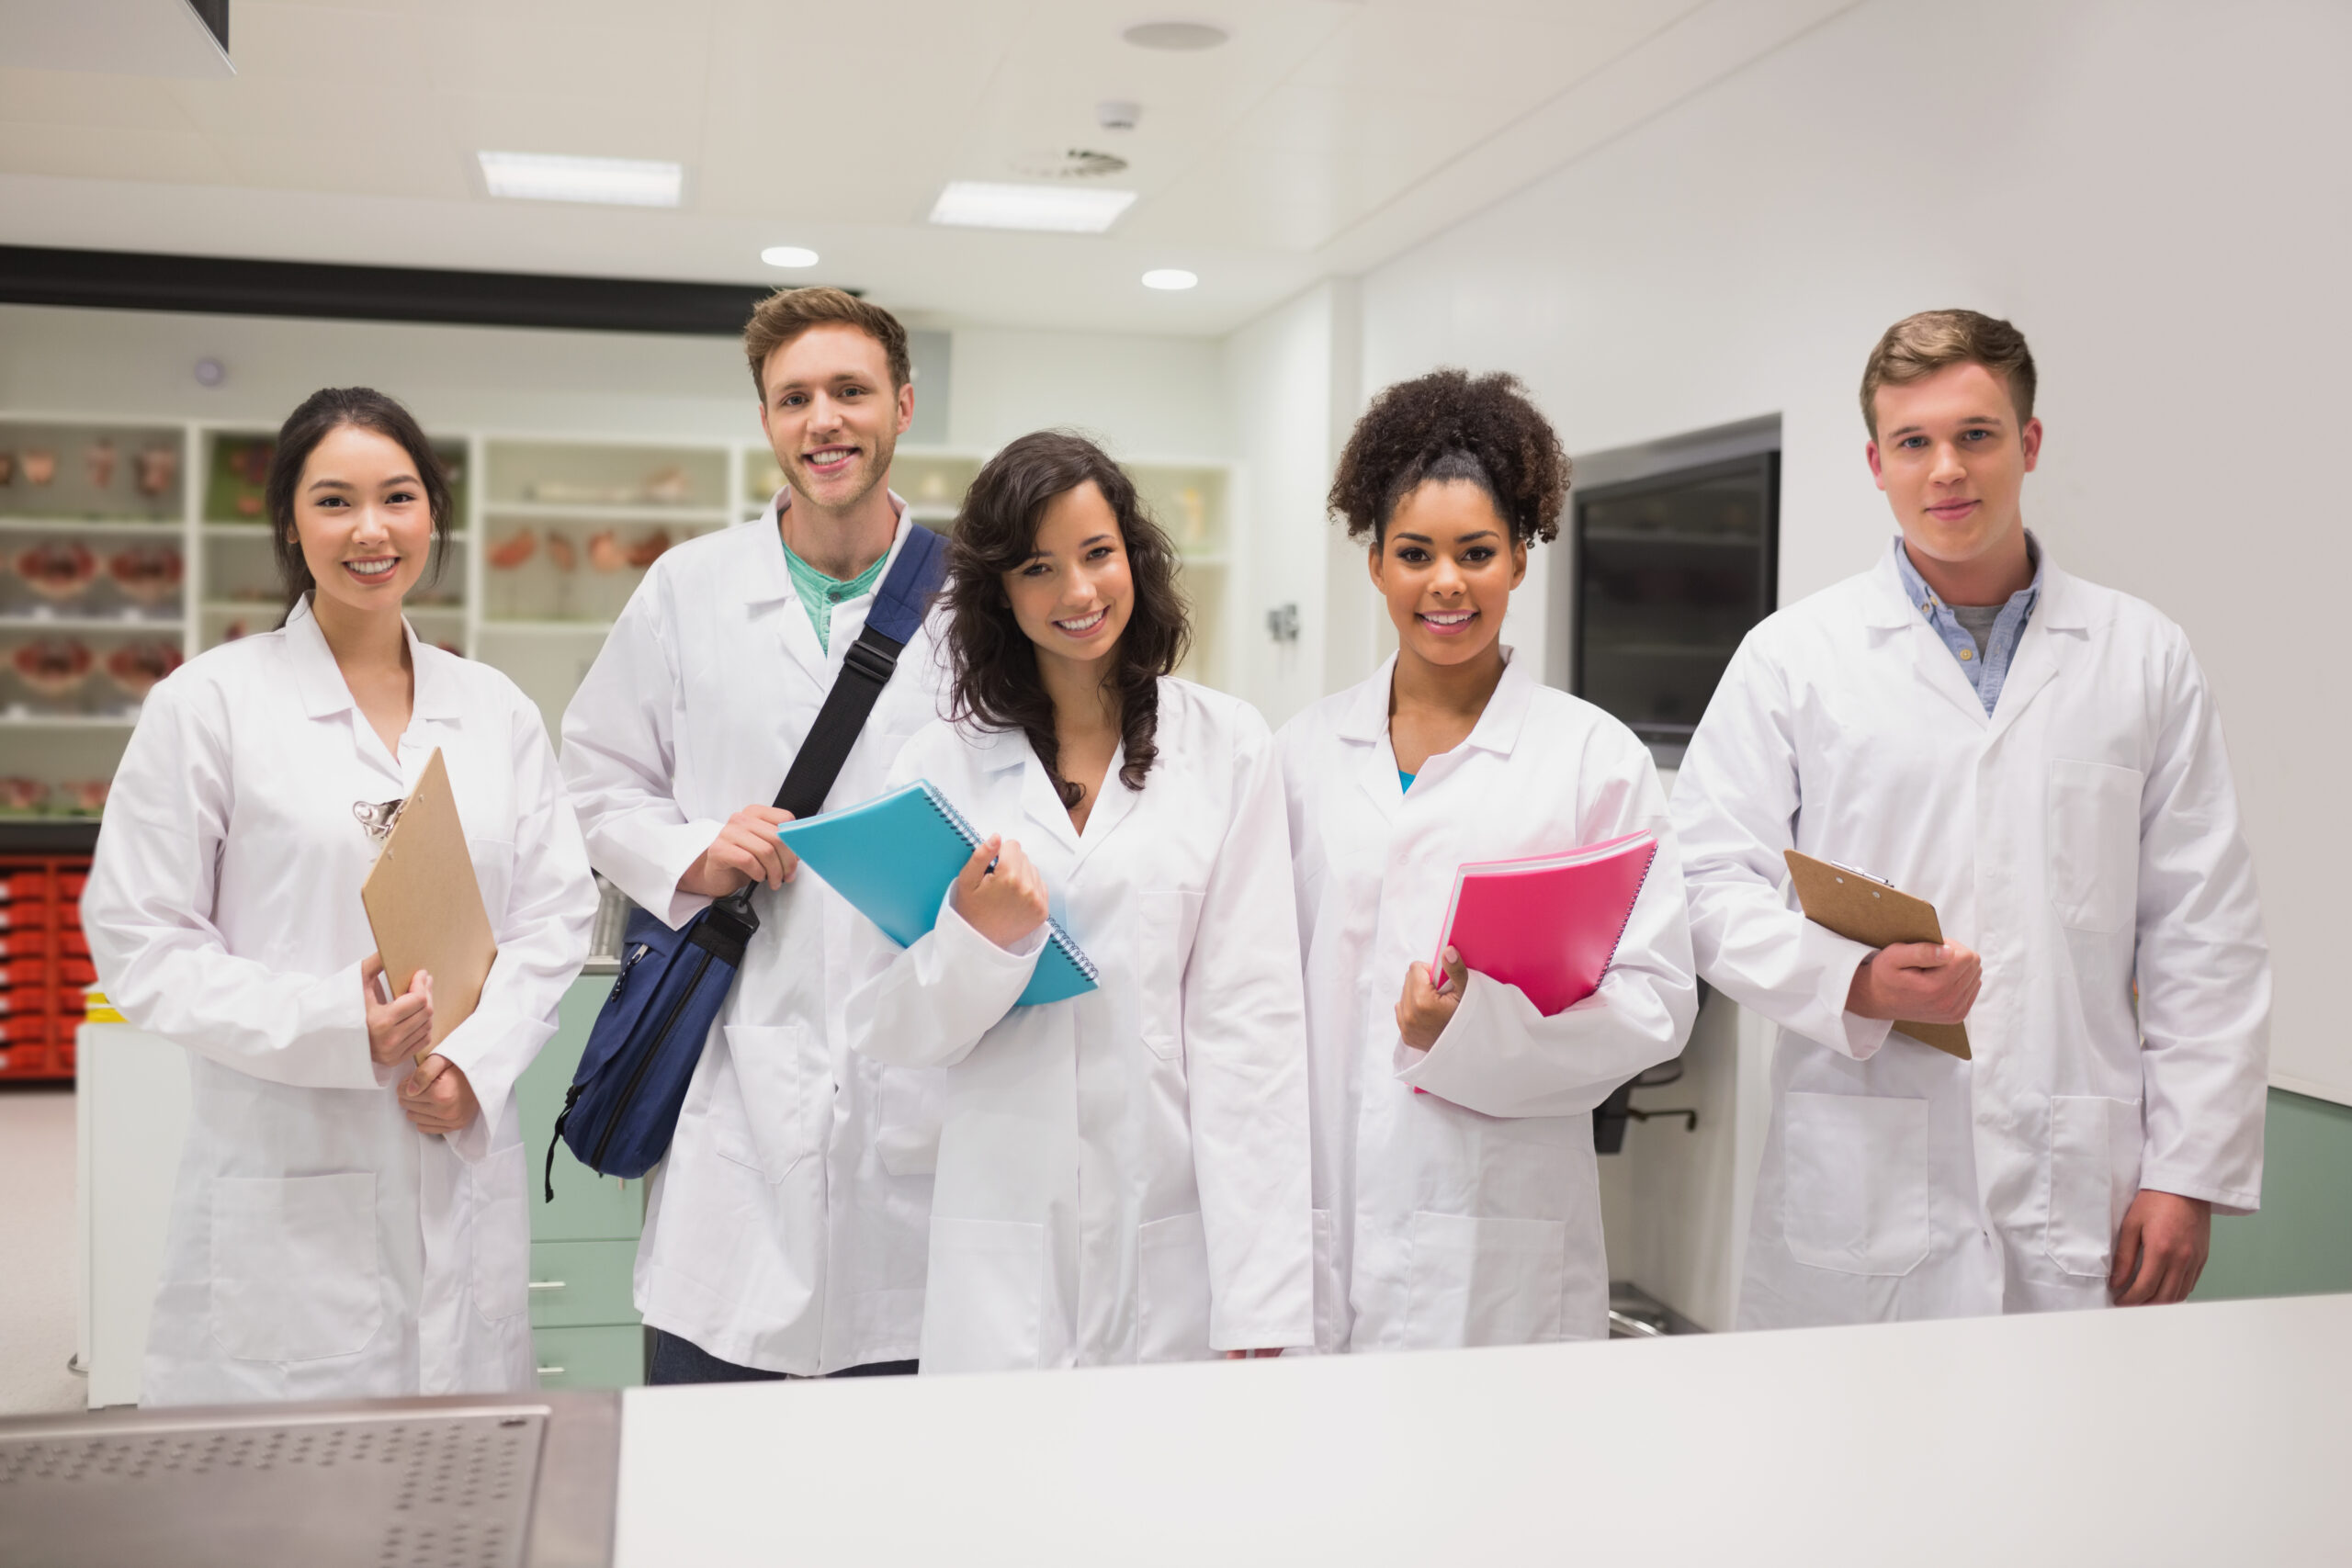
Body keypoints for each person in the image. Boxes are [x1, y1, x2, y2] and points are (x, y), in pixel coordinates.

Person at [1673, 310, 2270, 1326]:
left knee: (2071, 1430)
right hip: (1862, 1174)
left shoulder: (2142, 656)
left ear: (2027, 443)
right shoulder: (1793, 658)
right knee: (1854, 1428)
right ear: (1877, 463)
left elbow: (2202, 926)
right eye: (1913, 441)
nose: (1946, 469)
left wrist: (2187, 1173)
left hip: (2077, 1181)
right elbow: (1702, 881)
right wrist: (1851, 981)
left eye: (1976, 435)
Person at [83, 387, 596, 1404]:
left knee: (463, 1475)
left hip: (455, 1147)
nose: (371, 530)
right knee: (290, 1483)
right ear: (289, 523)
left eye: (398, 497)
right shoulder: (212, 704)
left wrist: (474, 1064)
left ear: (433, 513)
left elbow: (555, 916)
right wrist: (332, 1023)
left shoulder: (493, 709)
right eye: (334, 501)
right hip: (289, 1165)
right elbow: (142, 940)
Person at [842, 431, 1313, 1371]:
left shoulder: (1228, 747)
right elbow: (884, 1025)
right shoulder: (939, 767)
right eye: (1038, 568)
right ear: (1000, 591)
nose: (1079, 592)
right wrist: (978, 942)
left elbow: (1251, 1030)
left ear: (1134, 555)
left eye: (1098, 553)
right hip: (1001, 1236)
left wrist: (1260, 1294)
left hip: (1172, 1237)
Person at [561, 288, 951, 1381]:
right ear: (768, 420)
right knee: (711, 1433)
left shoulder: (971, 604)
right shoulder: (688, 587)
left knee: (909, 1441)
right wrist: (692, 850)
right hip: (734, 1063)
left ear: (902, 406)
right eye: (794, 398)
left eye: (850, 392)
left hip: (916, 1076)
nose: (823, 420)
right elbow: (594, 779)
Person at [1275, 369, 1697, 1351]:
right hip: (1321, 1207)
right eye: (1414, 554)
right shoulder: (1300, 754)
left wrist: (1473, 1030)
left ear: (1518, 560)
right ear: (1375, 563)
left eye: (1476, 553)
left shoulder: (1592, 759)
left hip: (1496, 1224)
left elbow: (1655, 1003)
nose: (1446, 583)